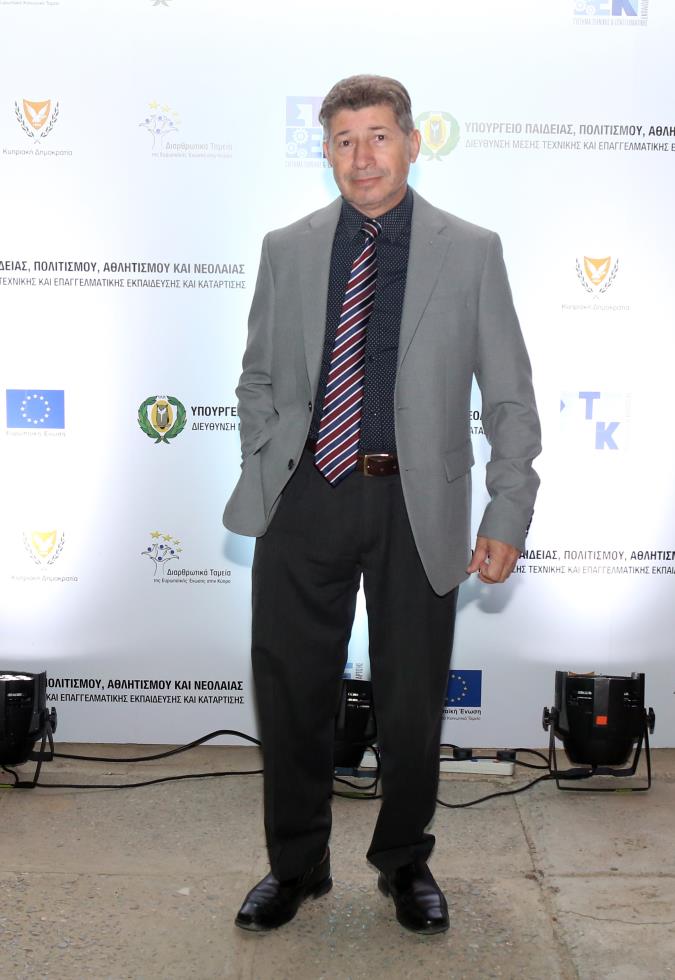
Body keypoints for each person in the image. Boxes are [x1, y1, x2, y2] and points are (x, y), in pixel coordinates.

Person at [223, 74, 540, 935]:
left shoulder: (469, 250)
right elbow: (256, 376)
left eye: (377, 137)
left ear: (410, 142)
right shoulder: (287, 248)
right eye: (343, 140)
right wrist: (268, 461)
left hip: (415, 506)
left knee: (409, 702)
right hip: (303, 501)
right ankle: (295, 865)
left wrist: (506, 511)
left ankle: (403, 863)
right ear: (325, 151)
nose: (361, 157)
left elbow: (509, 397)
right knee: (292, 695)